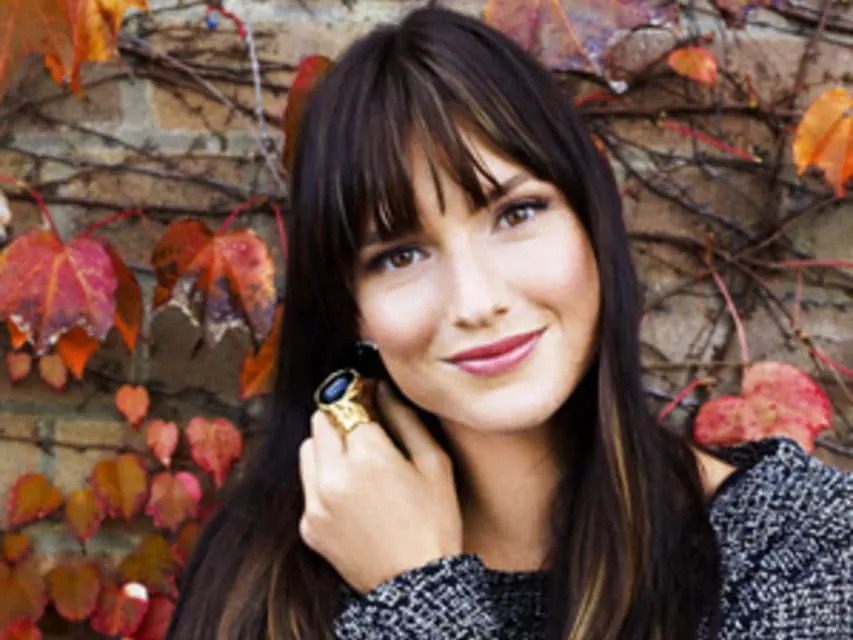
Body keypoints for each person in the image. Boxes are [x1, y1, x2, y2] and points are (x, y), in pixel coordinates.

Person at [166, 7, 852, 639]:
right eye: (400, 255)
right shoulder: (263, 578)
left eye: (515, 214)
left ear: (591, 223)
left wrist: (416, 595)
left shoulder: (803, 544)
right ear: (351, 311)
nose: (475, 300)